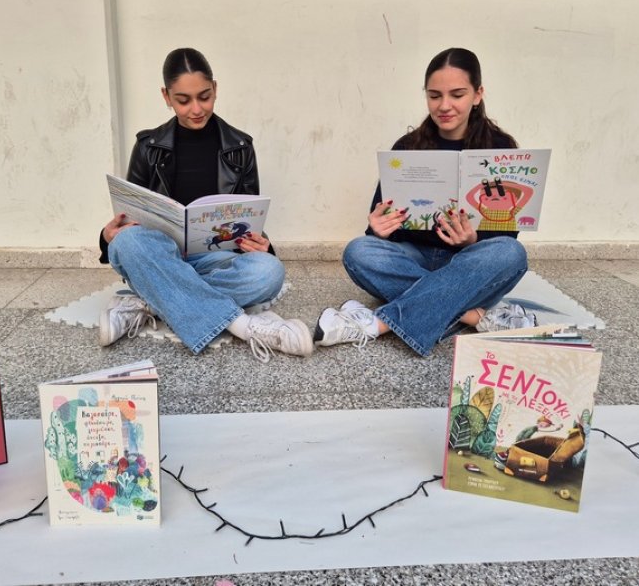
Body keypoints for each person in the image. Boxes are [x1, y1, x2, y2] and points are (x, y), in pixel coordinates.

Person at [314, 47, 535, 356]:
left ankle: (380, 323)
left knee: (511, 254)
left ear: (477, 94)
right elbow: (379, 231)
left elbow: (507, 235)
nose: (444, 106)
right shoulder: (408, 147)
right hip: (416, 257)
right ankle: (473, 316)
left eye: (457, 95)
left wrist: (472, 240)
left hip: (468, 262)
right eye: (434, 96)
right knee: (359, 251)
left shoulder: (500, 149)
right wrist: (377, 229)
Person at [98, 47, 313, 361]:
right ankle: (245, 327)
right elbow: (131, 217)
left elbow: (248, 218)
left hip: (212, 259)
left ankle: (149, 302)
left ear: (215, 88)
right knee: (129, 243)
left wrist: (262, 246)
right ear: (166, 96)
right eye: (183, 100)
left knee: (269, 272)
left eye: (205, 96)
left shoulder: (240, 147)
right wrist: (107, 237)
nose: (196, 109)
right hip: (159, 254)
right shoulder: (148, 147)